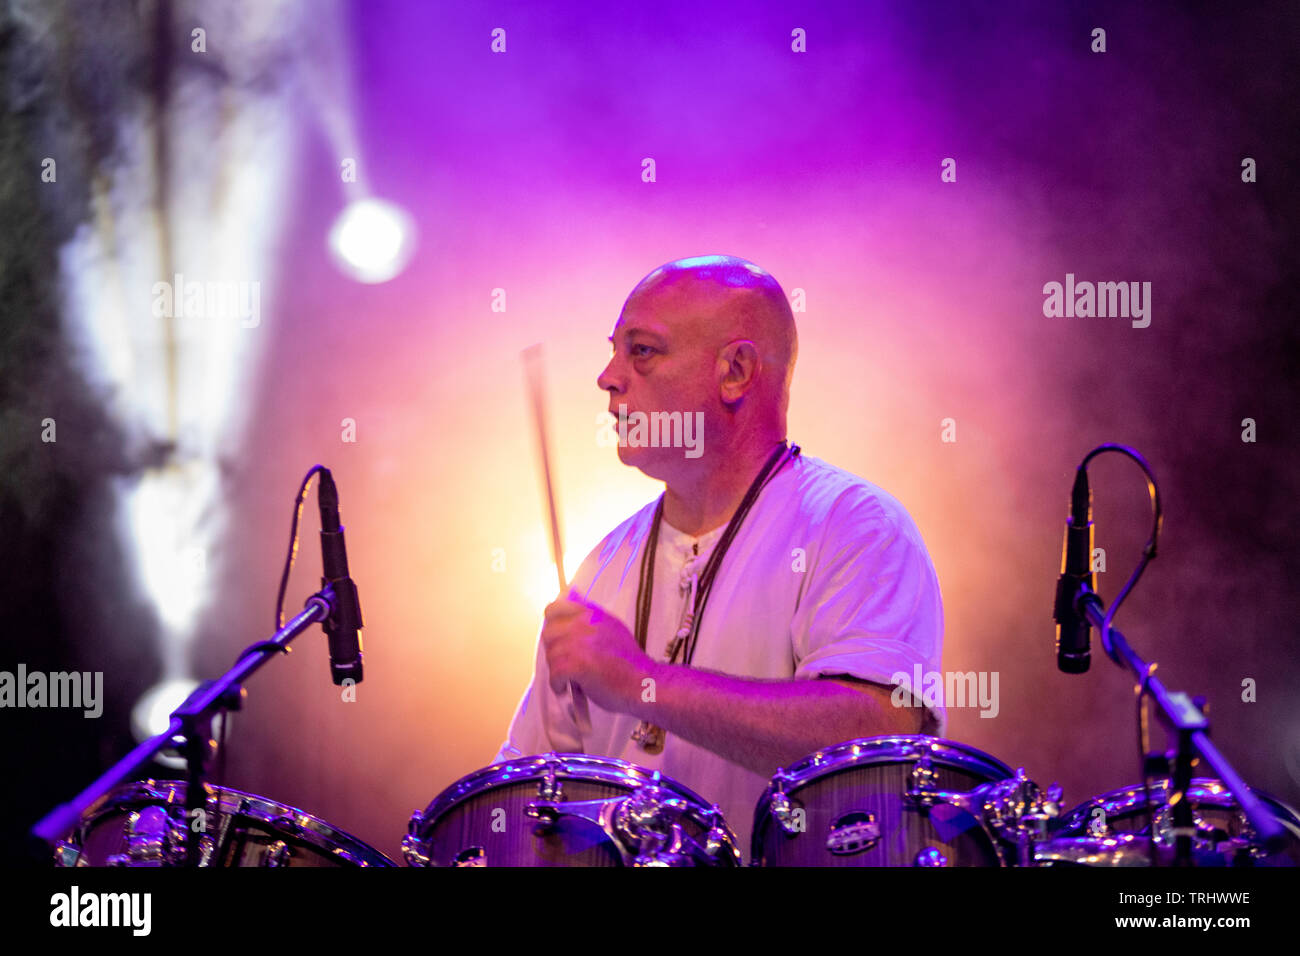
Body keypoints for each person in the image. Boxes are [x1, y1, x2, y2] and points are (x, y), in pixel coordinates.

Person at [494, 255, 944, 858]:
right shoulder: (601, 567)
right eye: (613, 351)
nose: (607, 377)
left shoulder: (854, 525)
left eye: (642, 351)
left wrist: (640, 682)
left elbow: (875, 738)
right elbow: (528, 794)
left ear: (735, 371)